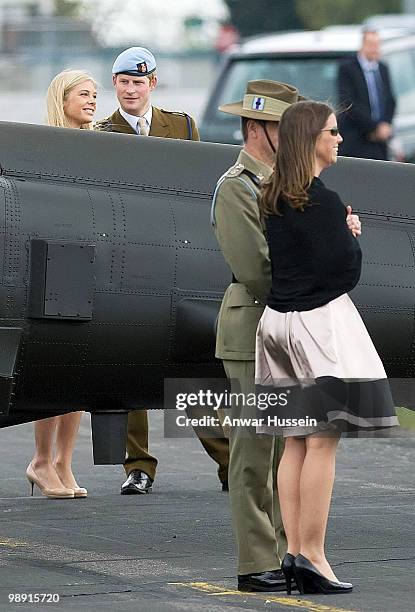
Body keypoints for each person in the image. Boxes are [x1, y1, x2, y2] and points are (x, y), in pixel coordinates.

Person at [257, 100, 399, 595]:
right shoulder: (320, 201)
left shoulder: (273, 195)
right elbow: (345, 272)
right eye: (333, 132)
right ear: (311, 139)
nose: (340, 139)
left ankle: (295, 553)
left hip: (277, 322)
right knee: (322, 439)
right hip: (318, 325)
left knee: (295, 439)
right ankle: (312, 555)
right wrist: (350, 233)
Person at [95, 47, 229, 495]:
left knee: (189, 366)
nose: (130, 90)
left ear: (153, 83)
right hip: (128, 260)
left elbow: (199, 187)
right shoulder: (101, 133)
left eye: (138, 82)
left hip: (178, 256)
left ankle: (230, 461)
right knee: (130, 362)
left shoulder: (183, 126)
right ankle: (138, 466)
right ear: (115, 84)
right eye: (122, 82)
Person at [26, 69, 98, 499]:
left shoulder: (98, 143)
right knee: (53, 368)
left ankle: (63, 463)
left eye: (94, 94)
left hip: (87, 256)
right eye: (83, 94)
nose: (92, 100)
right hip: (55, 257)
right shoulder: (45, 145)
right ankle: (39, 459)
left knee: (78, 372)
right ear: (62, 99)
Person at [337, 29, 396, 160]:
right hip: (357, 138)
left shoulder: (382, 68)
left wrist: (385, 125)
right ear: (363, 45)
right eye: (371, 44)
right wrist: (374, 127)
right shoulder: (348, 68)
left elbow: (390, 100)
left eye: (377, 45)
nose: (375, 49)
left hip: (380, 142)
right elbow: (348, 103)